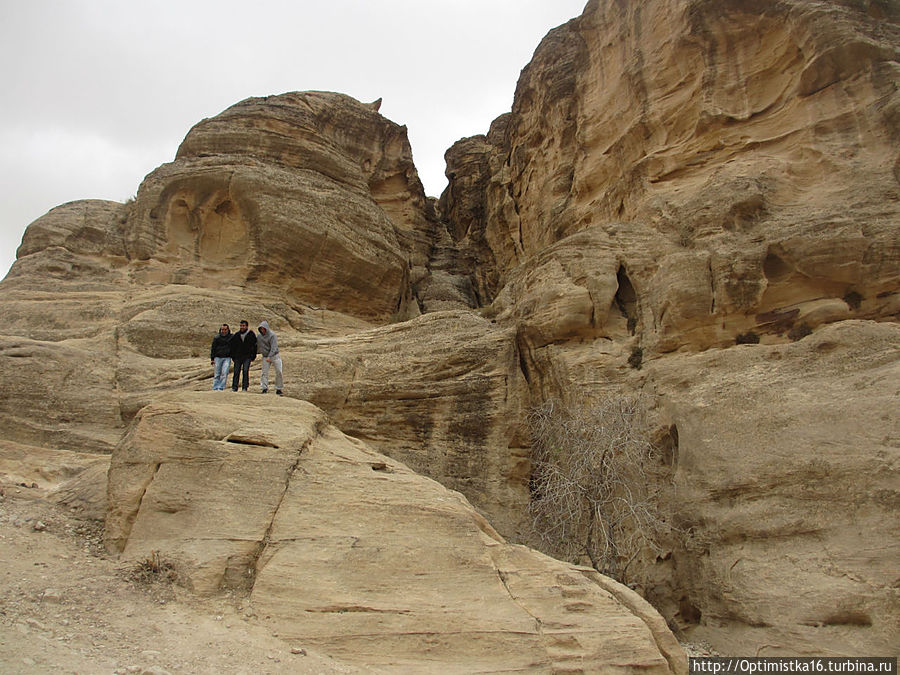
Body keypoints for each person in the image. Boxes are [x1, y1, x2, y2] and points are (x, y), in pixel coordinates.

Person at [257, 320, 283, 396]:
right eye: (261, 329)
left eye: (264, 328)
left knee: (279, 371)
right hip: (265, 356)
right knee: (264, 373)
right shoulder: (259, 336)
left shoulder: (272, 335)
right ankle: (264, 388)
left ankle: (279, 388)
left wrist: (270, 356)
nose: (262, 330)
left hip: (274, 355)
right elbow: (258, 346)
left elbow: (274, 347)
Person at [230, 320, 257, 392]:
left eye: (243, 326)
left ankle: (244, 387)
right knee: (236, 372)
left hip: (247, 356)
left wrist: (253, 356)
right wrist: (233, 356)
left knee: (245, 371)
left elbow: (254, 346)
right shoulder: (236, 335)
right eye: (241, 326)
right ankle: (234, 387)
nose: (242, 327)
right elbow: (232, 346)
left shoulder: (251, 334)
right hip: (238, 357)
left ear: (247, 326)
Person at [209, 324, 232, 390]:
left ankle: (221, 387)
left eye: (225, 329)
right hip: (218, 357)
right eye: (222, 329)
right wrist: (212, 358)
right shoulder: (217, 338)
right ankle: (215, 387)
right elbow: (213, 348)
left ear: (228, 330)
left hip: (227, 357)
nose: (224, 331)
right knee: (217, 374)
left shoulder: (231, 337)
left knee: (224, 373)